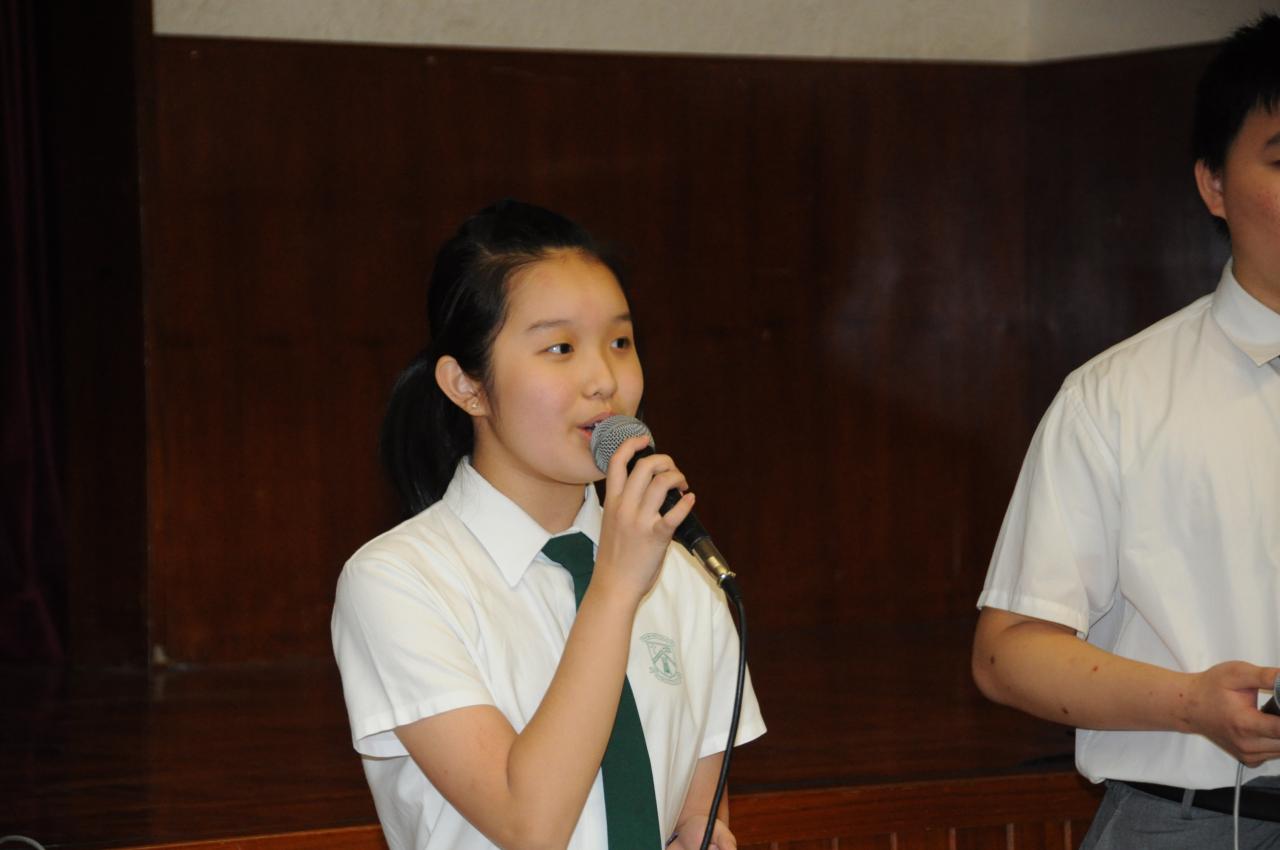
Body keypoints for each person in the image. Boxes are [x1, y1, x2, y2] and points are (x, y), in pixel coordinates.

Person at [332, 199, 765, 850]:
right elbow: (528, 824)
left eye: (620, 342)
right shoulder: (397, 582)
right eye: (560, 348)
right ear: (466, 386)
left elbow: (698, 822)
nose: (604, 380)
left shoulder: (685, 580)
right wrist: (615, 588)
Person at [972, 13, 1280, 848]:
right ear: (1214, 185)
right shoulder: (1117, 398)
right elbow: (1007, 652)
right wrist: (1191, 704)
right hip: (1193, 820)